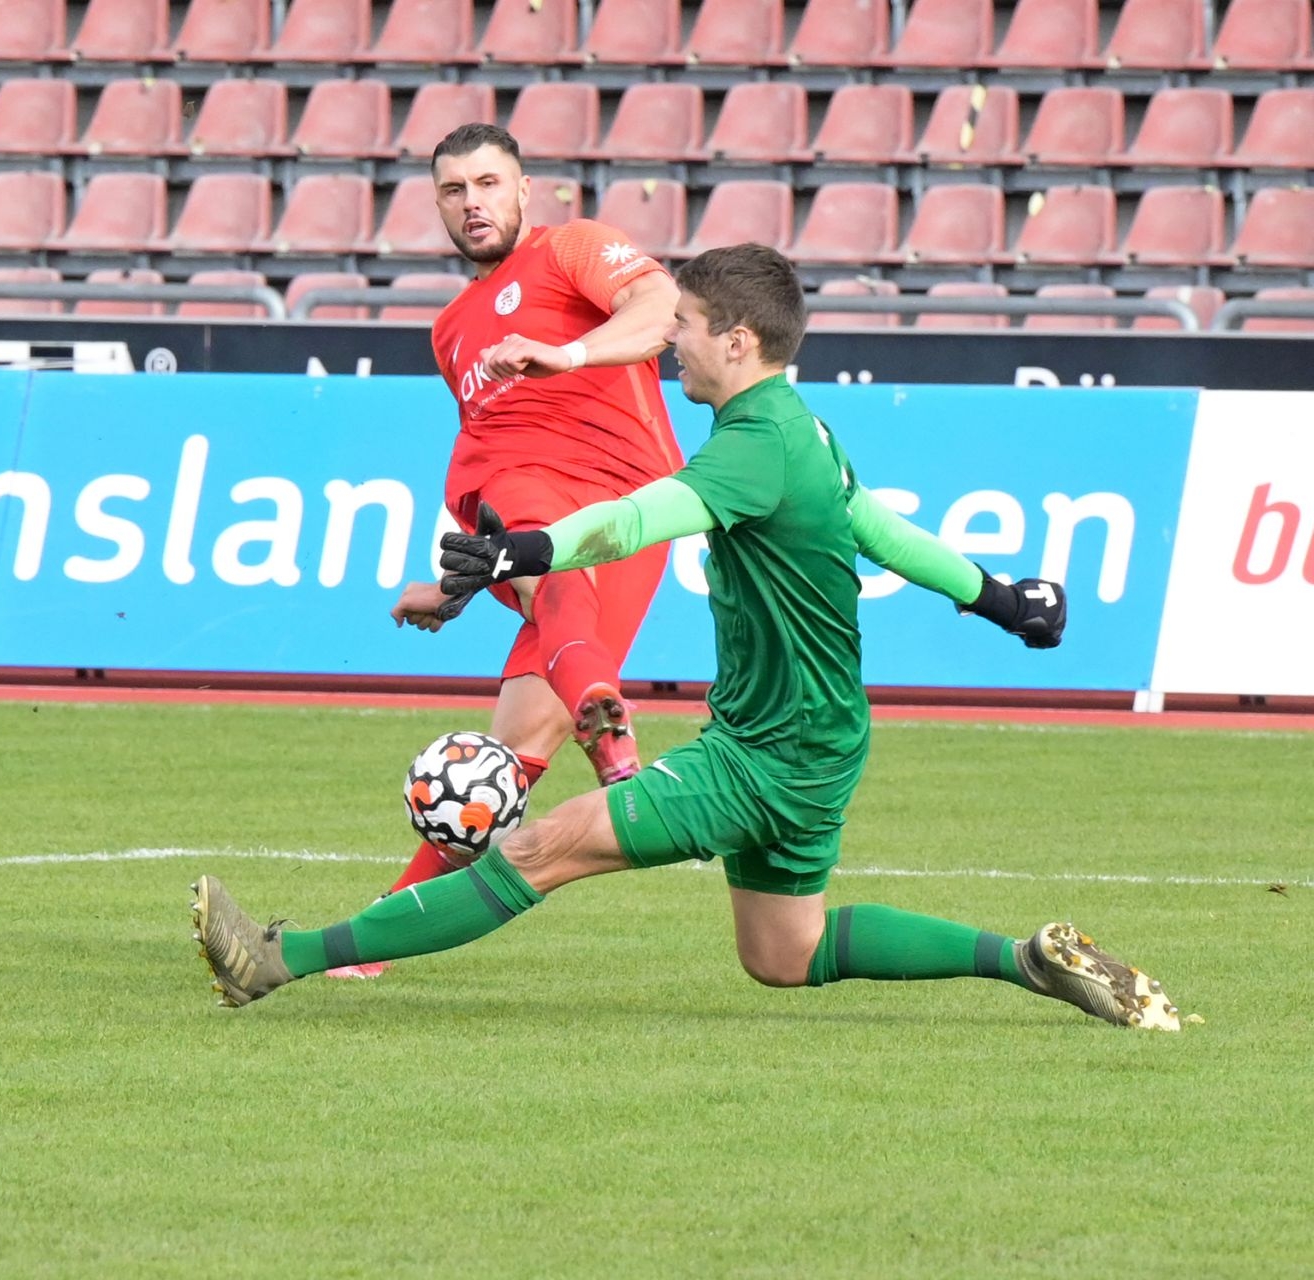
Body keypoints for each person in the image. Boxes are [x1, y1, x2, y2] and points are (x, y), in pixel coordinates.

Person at [193, 243, 1183, 1032]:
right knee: (782, 954)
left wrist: (523, 547)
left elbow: (631, 520)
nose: (673, 345)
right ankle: (1029, 958)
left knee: (535, 844)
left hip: (765, 750)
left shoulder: (754, 447)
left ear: (742, 342)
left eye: (688, 328)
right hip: (821, 741)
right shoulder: (805, 428)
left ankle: (276, 957)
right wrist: (1003, 600)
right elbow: (879, 528)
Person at [336, 123, 685, 976]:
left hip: (625, 506)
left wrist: (564, 354)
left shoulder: (575, 248)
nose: (473, 203)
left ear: (525, 189)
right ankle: (377, 938)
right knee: (500, 763)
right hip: (519, 512)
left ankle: (598, 719)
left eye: (489, 184)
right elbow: (486, 450)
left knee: (508, 752)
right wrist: (457, 588)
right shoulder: (451, 327)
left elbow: (661, 310)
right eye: (454, 191)